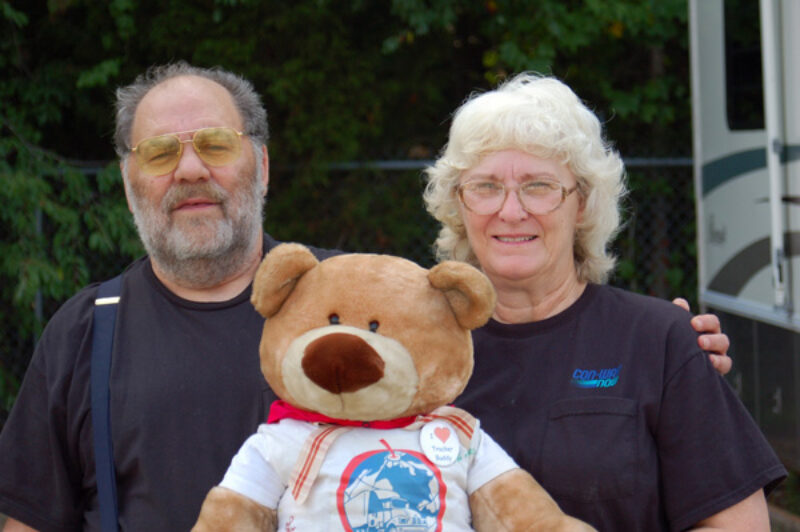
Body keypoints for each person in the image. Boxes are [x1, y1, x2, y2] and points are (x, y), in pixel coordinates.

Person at [0, 62, 731, 532]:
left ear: (260, 163)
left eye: (216, 145)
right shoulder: (86, 333)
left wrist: (667, 349)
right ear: (131, 177)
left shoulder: (364, 296)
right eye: (161, 152)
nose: (191, 169)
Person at [424, 72, 787, 530]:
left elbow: (739, 526)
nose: (511, 210)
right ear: (458, 204)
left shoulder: (659, 339)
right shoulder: (418, 347)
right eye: (486, 186)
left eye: (539, 185)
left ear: (582, 204)